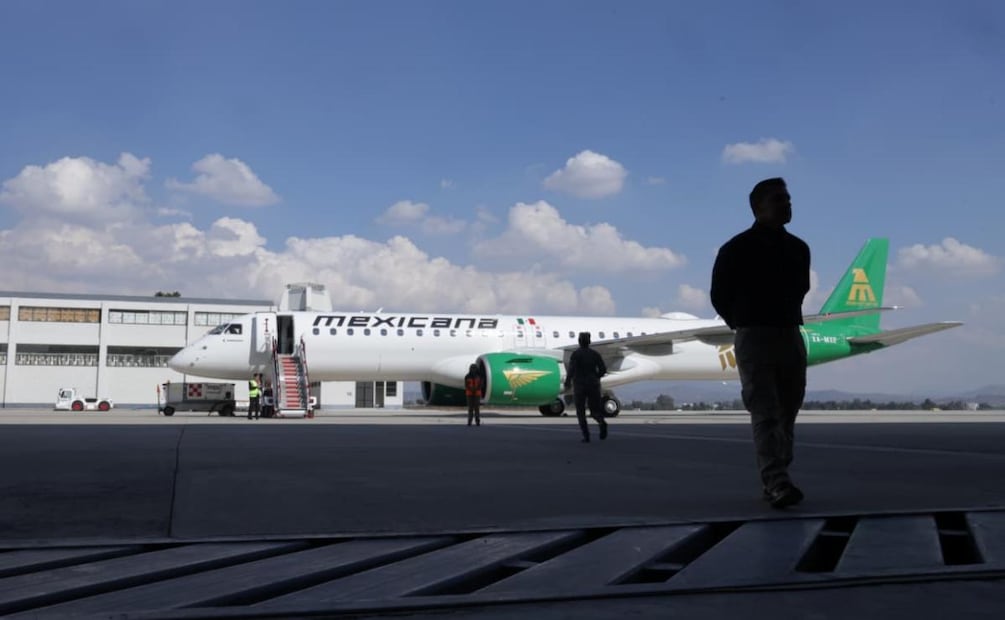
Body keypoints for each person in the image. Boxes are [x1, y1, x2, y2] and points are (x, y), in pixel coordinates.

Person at [710, 177, 810, 509]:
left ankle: (778, 475)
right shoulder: (736, 249)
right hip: (755, 335)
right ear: (758, 207)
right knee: (766, 411)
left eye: (788, 199)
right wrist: (743, 323)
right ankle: (777, 482)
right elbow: (719, 296)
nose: (787, 204)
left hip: (790, 333)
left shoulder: (799, 248)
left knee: (788, 409)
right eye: (779, 200)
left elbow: (801, 289)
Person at [564, 332, 608, 443]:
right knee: (594, 411)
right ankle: (601, 422)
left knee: (581, 412)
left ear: (579, 341)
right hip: (593, 385)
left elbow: (571, 369)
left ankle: (586, 436)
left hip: (580, 385)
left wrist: (567, 381)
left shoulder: (576, 354)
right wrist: (596, 377)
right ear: (589, 342)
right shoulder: (595, 354)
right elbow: (603, 370)